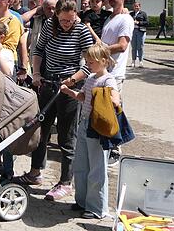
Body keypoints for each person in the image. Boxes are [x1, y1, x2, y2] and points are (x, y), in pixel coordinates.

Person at [16, 0, 94, 202]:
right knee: (40, 129)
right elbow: (38, 50)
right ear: (56, 16)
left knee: (67, 137)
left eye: (71, 20)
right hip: (48, 84)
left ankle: (66, 182)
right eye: (63, 21)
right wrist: (37, 73)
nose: (67, 24)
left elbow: (90, 63)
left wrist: (72, 80)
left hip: (69, 87)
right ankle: (35, 172)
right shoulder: (50, 25)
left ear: (76, 14)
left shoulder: (82, 30)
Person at [56, 42, 120, 219]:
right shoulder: (91, 78)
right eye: (88, 61)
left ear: (104, 61)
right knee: (81, 165)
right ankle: (82, 201)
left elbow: (115, 98)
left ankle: (97, 208)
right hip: (84, 124)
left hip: (98, 128)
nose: (89, 65)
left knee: (97, 169)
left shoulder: (108, 80)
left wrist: (114, 100)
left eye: (91, 62)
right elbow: (82, 97)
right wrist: (69, 91)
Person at [101, 0, 134, 88]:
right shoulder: (108, 18)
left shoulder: (126, 19)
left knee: (114, 104)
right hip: (103, 72)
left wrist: (98, 52)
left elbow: (122, 46)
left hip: (114, 75)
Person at [129, 2, 148, 68]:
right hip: (133, 31)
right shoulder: (131, 14)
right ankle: (133, 61)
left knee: (140, 46)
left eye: (137, 6)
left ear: (140, 7)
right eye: (135, 6)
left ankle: (140, 61)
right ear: (133, 7)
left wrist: (138, 22)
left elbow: (147, 22)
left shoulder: (143, 14)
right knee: (133, 47)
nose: (136, 7)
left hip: (141, 31)